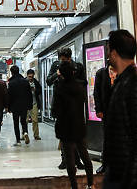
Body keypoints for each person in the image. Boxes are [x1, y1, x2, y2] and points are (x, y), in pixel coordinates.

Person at [101, 30, 137, 189]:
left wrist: (131, 179)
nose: (108, 55)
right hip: (118, 168)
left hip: (124, 172)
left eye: (109, 50)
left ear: (114, 53)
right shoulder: (124, 80)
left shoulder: (135, 83)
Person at [53, 61, 94, 189]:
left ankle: (74, 186)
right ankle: (91, 183)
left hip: (65, 127)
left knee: (69, 158)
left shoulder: (59, 88)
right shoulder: (80, 87)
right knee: (84, 155)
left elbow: (55, 110)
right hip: (79, 125)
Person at [46, 47, 86, 170]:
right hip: (61, 103)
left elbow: (84, 82)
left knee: (77, 132)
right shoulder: (56, 66)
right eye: (62, 60)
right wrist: (56, 75)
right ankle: (65, 159)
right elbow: (48, 81)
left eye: (66, 60)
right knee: (64, 133)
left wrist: (72, 78)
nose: (64, 62)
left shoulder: (78, 66)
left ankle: (78, 159)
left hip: (75, 103)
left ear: (70, 57)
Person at [92, 64, 114, 174]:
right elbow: (96, 93)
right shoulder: (101, 73)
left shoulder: (123, 74)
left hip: (119, 111)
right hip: (106, 112)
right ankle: (105, 164)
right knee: (106, 137)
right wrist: (98, 109)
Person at [7, 65, 32, 146]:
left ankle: (18, 141)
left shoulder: (11, 83)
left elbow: (9, 96)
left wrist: (8, 107)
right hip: (24, 104)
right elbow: (29, 94)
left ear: (11, 72)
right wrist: (30, 104)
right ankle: (25, 132)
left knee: (16, 122)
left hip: (15, 105)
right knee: (23, 121)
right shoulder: (25, 81)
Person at [26, 69, 43, 140]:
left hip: (34, 103)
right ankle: (24, 134)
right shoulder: (24, 82)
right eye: (29, 77)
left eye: (32, 77)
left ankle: (36, 135)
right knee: (25, 120)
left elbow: (40, 91)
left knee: (35, 120)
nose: (30, 78)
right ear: (27, 76)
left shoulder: (36, 82)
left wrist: (35, 90)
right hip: (25, 104)